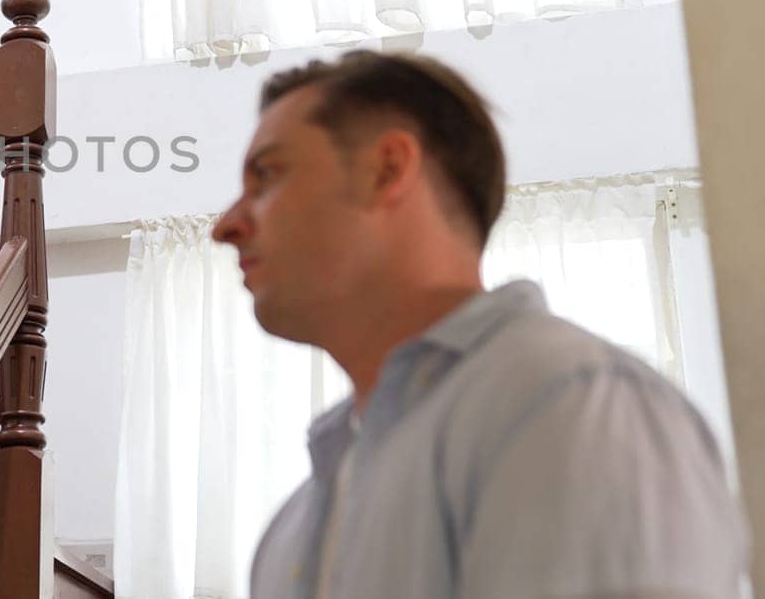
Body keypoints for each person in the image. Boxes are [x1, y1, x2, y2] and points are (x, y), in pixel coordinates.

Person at [211, 50, 749, 599]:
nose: (225, 225)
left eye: (267, 176)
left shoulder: (572, 405)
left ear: (387, 169)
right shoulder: (298, 519)